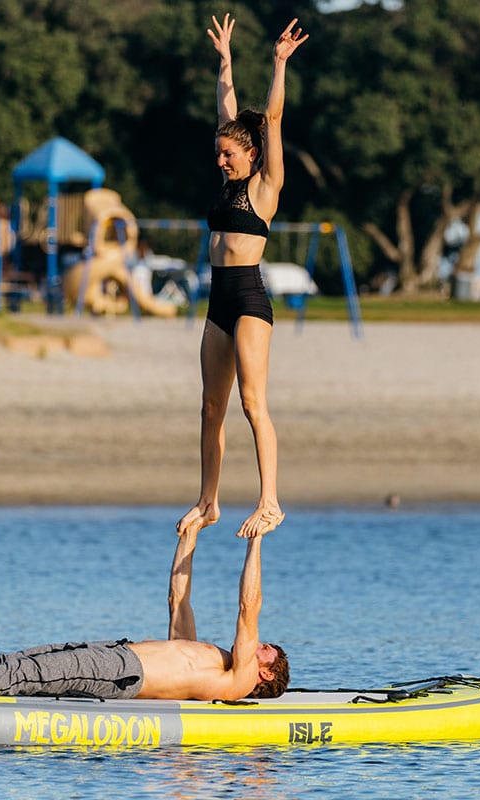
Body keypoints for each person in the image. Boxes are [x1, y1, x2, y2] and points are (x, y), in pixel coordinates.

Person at [0, 528, 289, 701]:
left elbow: (248, 608)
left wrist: (258, 539)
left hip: (122, 672)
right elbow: (178, 598)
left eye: (265, 650)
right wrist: (191, 534)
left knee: (22, 674)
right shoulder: (209, 654)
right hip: (113, 656)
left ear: (266, 674)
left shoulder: (237, 679)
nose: (257, 644)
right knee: (17, 665)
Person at [177, 13, 308, 541]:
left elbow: (271, 120)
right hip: (217, 302)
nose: (220, 159)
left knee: (253, 404)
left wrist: (278, 64)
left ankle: (270, 501)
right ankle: (208, 502)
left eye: (227, 154)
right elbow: (225, 110)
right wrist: (226, 61)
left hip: (250, 299)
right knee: (211, 406)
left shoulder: (264, 187)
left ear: (249, 155)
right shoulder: (227, 170)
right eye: (218, 153)